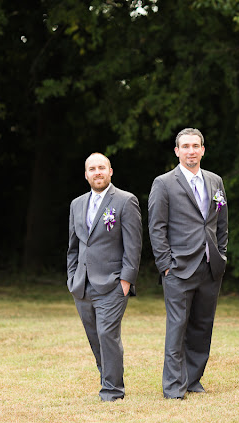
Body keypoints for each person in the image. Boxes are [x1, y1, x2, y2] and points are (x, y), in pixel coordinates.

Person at [148, 128, 228, 400]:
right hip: (178, 268)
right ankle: (173, 386)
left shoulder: (215, 181)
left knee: (202, 326)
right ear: (177, 151)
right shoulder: (164, 183)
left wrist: (222, 254)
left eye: (196, 146)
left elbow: (222, 222)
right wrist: (165, 265)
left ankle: (193, 379)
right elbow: (156, 227)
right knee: (177, 326)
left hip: (210, 266)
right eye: (186, 146)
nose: (191, 151)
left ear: (203, 149)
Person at [66, 152, 143, 401]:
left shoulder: (125, 201)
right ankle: (107, 378)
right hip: (82, 285)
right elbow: (74, 246)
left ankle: (112, 390)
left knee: (108, 335)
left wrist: (126, 281)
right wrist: (72, 277)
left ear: (110, 172)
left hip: (112, 283)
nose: (97, 172)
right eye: (92, 169)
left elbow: (134, 245)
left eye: (102, 167)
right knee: (95, 337)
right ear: (86, 174)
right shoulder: (77, 204)